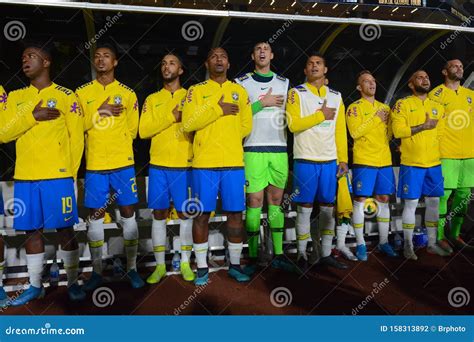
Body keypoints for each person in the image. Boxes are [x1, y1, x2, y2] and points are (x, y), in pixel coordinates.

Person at [2, 44, 85, 306]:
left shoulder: (66, 95)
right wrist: (32, 116)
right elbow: (4, 133)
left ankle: (72, 283)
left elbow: (77, 140)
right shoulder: (14, 97)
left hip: (57, 177)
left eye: (31, 56)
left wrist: (71, 177)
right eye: (23, 57)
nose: (25, 60)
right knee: (31, 233)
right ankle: (35, 286)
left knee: (65, 231)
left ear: (46, 62)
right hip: (26, 177)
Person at [76, 42, 144, 290]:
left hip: (122, 164)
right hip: (94, 165)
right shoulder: (81, 93)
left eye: (106, 56)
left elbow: (133, 130)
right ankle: (96, 272)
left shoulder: (127, 94)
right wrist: (99, 113)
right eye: (97, 56)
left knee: (128, 213)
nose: (101, 60)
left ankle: (132, 269)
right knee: (94, 216)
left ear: (115, 62)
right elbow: (75, 127)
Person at [182, 47, 252, 285]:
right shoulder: (196, 91)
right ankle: (202, 267)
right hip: (204, 164)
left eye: (223, 56)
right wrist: (217, 110)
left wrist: (229, 138)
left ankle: (234, 264)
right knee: (202, 215)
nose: (219, 59)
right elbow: (188, 123)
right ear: (206, 64)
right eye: (213, 56)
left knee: (235, 214)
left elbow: (245, 126)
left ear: (229, 63)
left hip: (233, 163)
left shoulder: (239, 91)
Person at [234, 41, 294, 275]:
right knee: (254, 203)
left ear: (272, 54)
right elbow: (237, 115)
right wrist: (262, 103)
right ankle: (252, 255)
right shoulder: (241, 83)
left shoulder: (284, 82)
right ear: (252, 55)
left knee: (276, 203)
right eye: (258, 48)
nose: (262, 51)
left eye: (266, 49)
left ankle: (278, 254)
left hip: (278, 148)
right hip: (252, 148)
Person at [286, 53, 349, 270]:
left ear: (325, 70)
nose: (314, 66)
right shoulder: (296, 93)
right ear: (305, 71)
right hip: (305, 159)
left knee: (327, 208)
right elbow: (293, 124)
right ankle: (302, 254)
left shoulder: (336, 96)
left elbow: (340, 130)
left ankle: (325, 254)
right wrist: (320, 116)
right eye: (310, 64)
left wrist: (343, 159)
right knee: (304, 208)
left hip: (329, 160)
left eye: (319, 63)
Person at [139, 53, 195, 283]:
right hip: (159, 166)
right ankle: (160, 266)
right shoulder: (152, 99)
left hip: (185, 165)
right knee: (159, 215)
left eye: (172, 62)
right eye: (163, 63)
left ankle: (185, 263)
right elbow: (143, 131)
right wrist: (171, 116)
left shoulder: (192, 96)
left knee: (186, 214)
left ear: (181, 70)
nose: (166, 66)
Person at [391, 70, 447, 260]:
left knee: (434, 203)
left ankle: (431, 244)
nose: (425, 79)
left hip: (434, 164)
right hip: (412, 164)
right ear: (410, 83)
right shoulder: (402, 104)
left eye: (427, 77)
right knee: (411, 204)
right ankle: (408, 245)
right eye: (420, 77)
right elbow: (398, 131)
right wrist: (422, 127)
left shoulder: (437, 106)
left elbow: (440, 134)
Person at [344, 70, 397, 261]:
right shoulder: (354, 108)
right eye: (366, 82)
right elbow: (355, 132)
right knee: (360, 200)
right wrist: (376, 119)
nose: (372, 84)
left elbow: (390, 134)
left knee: (383, 199)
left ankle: (383, 242)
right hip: (364, 160)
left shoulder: (385, 108)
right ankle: (360, 244)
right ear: (359, 87)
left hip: (384, 160)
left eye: (373, 81)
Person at [429, 59, 474, 252]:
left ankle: (455, 235)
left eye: (461, 66)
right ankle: (439, 236)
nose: (459, 68)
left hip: (469, 154)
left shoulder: (470, 95)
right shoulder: (436, 94)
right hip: (446, 152)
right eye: (455, 66)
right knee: (443, 195)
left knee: (464, 196)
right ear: (445, 71)